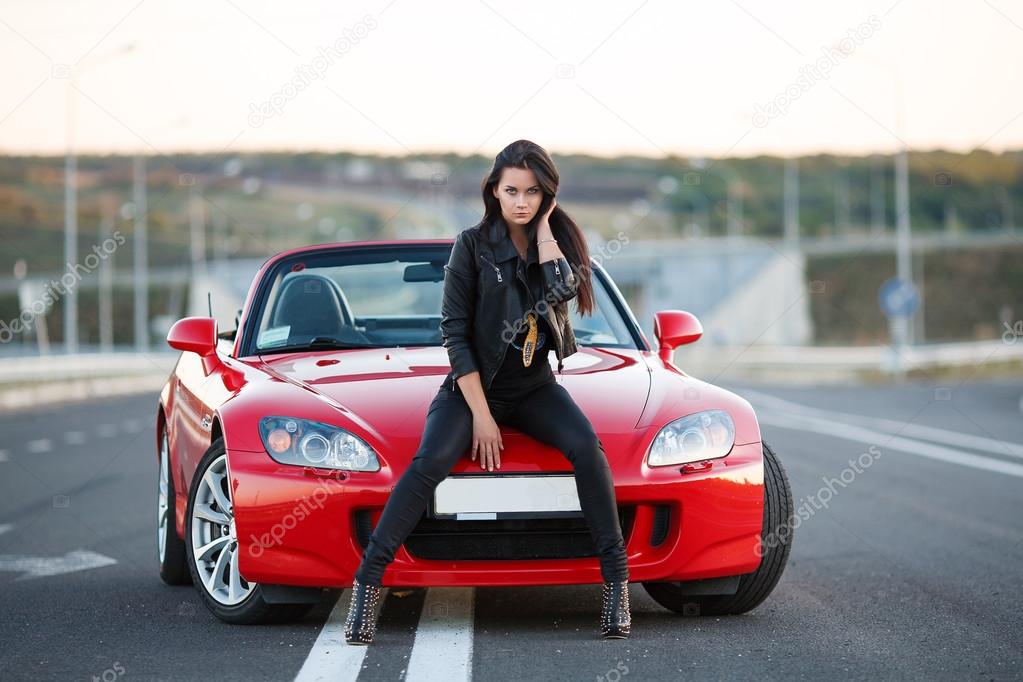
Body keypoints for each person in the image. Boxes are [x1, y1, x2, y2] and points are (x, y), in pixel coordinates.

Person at [344, 140, 631, 645]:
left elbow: (563, 290)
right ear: (494, 192)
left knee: (588, 449)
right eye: (512, 191)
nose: (521, 201)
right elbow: (454, 332)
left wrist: (544, 231)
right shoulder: (472, 245)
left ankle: (617, 585)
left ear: (547, 196)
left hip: (534, 386)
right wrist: (481, 414)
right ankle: (368, 586)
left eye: (533, 192)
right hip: (472, 388)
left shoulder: (554, 244)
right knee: (430, 460)